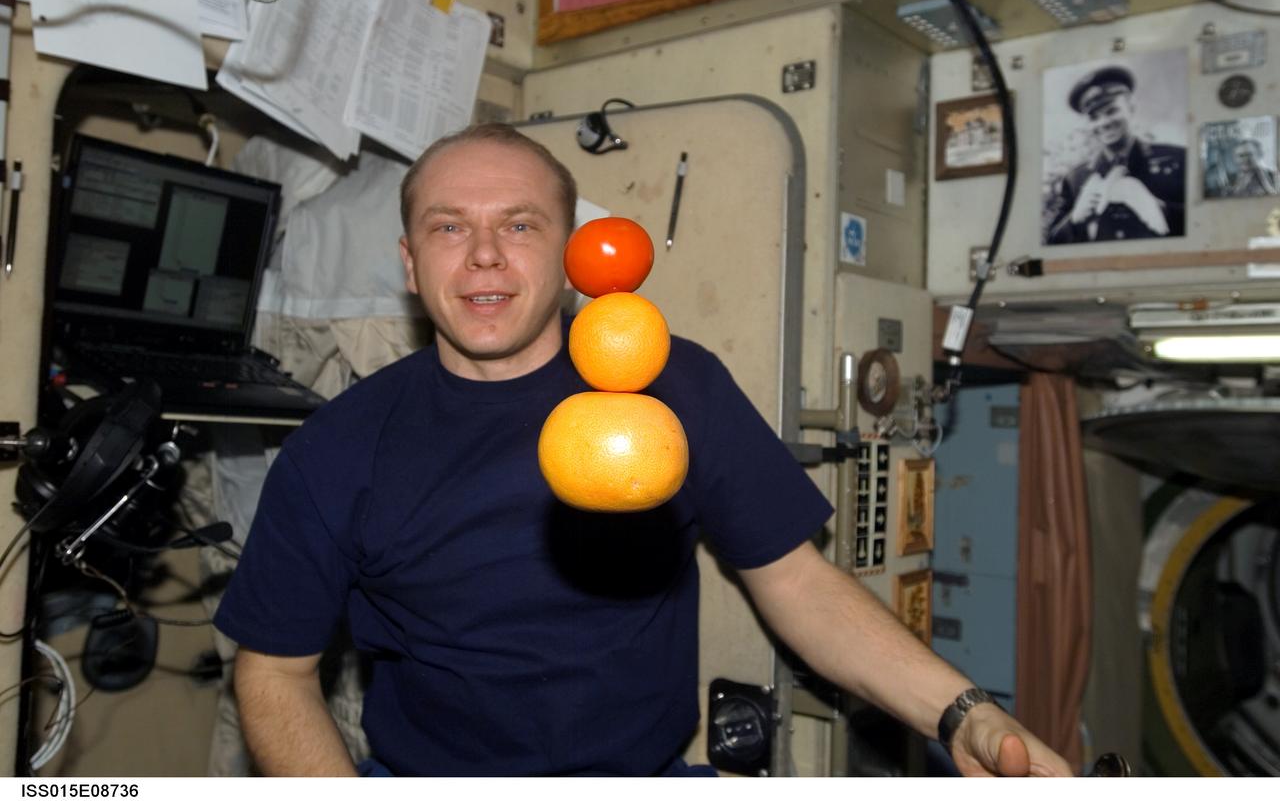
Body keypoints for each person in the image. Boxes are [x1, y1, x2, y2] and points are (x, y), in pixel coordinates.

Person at [214, 123, 1072, 778]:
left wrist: (962, 712)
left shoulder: (676, 386)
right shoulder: (336, 448)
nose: (483, 254)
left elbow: (799, 581)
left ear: (571, 253)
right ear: (409, 262)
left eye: (519, 224)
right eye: (447, 228)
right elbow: (274, 674)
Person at [1045, 65, 1185, 244]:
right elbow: (1050, 245)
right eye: (1094, 118)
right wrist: (1074, 220)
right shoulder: (1075, 179)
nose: (1103, 123)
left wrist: (1160, 208)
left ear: (1131, 107)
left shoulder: (1178, 159)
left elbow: (1207, 223)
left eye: (1112, 111)